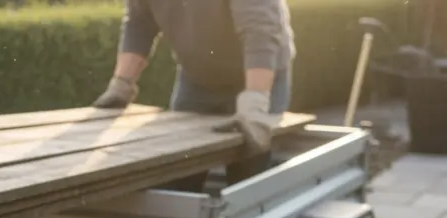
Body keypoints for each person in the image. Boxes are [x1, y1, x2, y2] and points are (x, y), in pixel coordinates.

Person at [91, 0, 295, 189]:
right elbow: (139, 23)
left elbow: (259, 32)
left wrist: (256, 100)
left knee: (249, 172)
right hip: (197, 79)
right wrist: (122, 83)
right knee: (179, 167)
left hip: (258, 77)